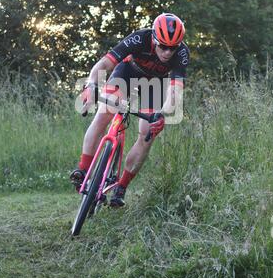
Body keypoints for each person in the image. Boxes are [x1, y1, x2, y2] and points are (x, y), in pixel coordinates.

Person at [70, 12, 190, 207]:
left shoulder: (182, 53)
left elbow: (175, 93)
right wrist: (91, 85)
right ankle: (82, 170)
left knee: (146, 134)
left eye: (172, 48)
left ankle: (121, 187)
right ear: (154, 38)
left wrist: (163, 114)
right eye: (163, 46)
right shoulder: (140, 38)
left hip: (156, 85)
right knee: (104, 113)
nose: (168, 52)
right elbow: (104, 64)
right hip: (127, 72)